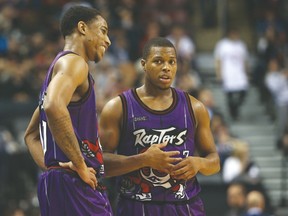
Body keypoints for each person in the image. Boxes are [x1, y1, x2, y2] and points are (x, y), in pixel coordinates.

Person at [99, 37, 220, 216]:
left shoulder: (195, 108)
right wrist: (143, 160)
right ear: (143, 64)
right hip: (136, 206)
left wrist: (199, 163)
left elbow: (214, 161)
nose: (166, 67)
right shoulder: (118, 107)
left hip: (185, 205)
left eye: (172, 62)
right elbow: (101, 165)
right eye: (158, 61)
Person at [24, 6, 113, 216]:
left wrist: (54, 168)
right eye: (103, 30)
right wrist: (80, 165)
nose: (107, 40)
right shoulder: (74, 62)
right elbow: (53, 106)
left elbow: (31, 136)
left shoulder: (57, 71)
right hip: (75, 184)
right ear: (82, 28)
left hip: (60, 182)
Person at [214, 27, 249, 121]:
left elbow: (245, 60)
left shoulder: (241, 45)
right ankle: (233, 112)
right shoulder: (222, 45)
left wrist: (247, 72)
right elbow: (218, 60)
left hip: (239, 73)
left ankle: (235, 109)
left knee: (244, 92)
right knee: (229, 95)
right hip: (228, 73)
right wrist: (219, 74)